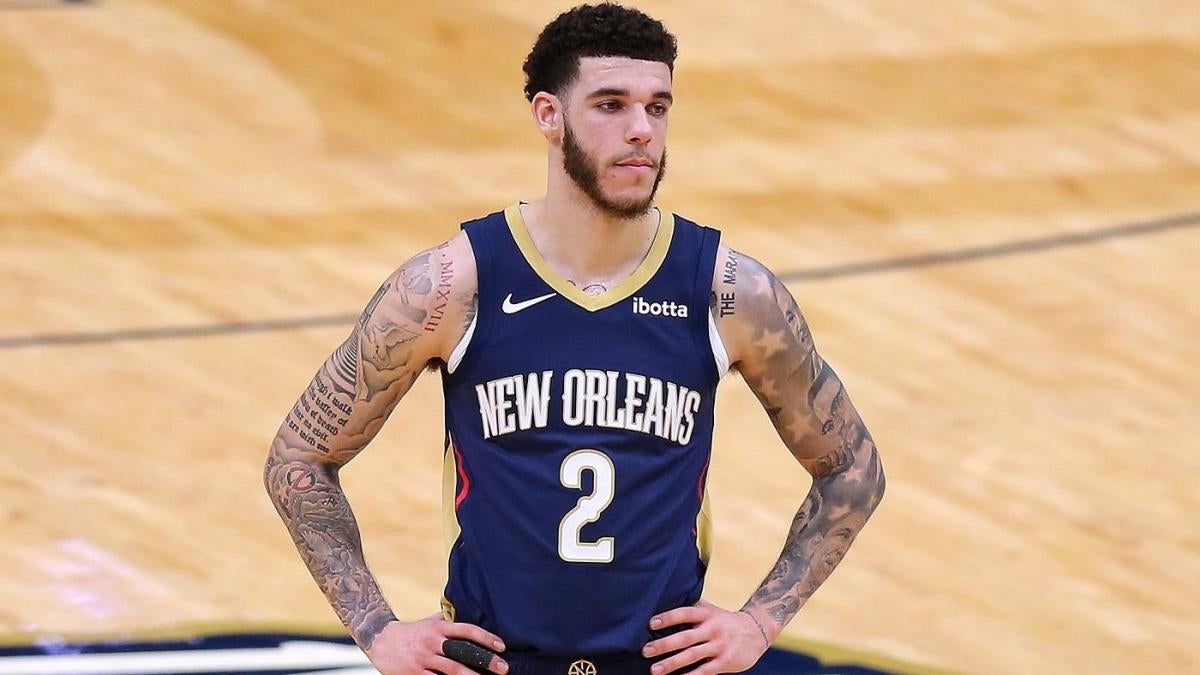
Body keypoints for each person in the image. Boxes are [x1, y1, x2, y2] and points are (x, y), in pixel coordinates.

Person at [263, 4, 885, 674]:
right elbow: (299, 458)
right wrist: (378, 629)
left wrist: (759, 621)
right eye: (611, 105)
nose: (641, 130)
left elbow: (853, 468)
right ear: (548, 116)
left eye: (658, 106)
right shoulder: (452, 285)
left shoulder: (727, 291)